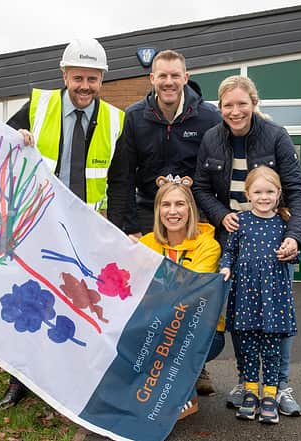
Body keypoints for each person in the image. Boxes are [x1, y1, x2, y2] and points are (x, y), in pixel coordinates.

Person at [0, 37, 125, 409]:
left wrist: (114, 233)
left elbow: (120, 180)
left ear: (102, 79)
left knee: (80, 305)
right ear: (64, 74)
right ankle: (20, 380)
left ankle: (70, 383)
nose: (85, 86)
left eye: (93, 79)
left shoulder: (116, 120)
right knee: (30, 302)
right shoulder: (37, 107)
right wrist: (14, 137)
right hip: (37, 225)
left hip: (85, 231)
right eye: (78, 77)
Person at [106, 50, 222, 394]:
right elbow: (122, 176)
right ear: (151, 80)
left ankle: (195, 364)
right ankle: (148, 365)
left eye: (175, 75)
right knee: (149, 293)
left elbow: (216, 173)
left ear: (186, 77)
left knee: (193, 290)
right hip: (147, 212)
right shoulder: (135, 116)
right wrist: (126, 227)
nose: (169, 82)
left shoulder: (209, 117)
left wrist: (213, 216)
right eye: (162, 76)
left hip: (194, 212)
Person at [192, 75, 301, 416]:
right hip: (234, 238)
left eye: (242, 103)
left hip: (274, 239)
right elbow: (200, 187)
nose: (235, 110)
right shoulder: (212, 139)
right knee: (238, 316)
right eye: (228, 105)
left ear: (254, 104)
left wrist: (294, 236)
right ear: (220, 107)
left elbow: (296, 191)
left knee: (278, 317)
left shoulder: (276, 137)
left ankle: (280, 385)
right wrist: (221, 215)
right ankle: (247, 383)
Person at [139, 175, 225, 419]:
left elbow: (192, 294)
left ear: (190, 209)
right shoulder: (145, 244)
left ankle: (182, 390)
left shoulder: (208, 246)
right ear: (157, 210)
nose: (172, 211)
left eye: (179, 204)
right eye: (166, 205)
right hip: (155, 326)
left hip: (198, 330)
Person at [218, 166, 298, 424]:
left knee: (272, 348)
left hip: (274, 297)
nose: (264, 197)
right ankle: (251, 391)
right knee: (248, 346)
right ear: (248, 194)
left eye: (270, 192)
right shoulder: (240, 221)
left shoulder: (285, 222)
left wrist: (292, 252)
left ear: (278, 193)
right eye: (258, 192)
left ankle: (270, 395)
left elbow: (296, 254)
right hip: (245, 295)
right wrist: (225, 266)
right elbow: (230, 251)